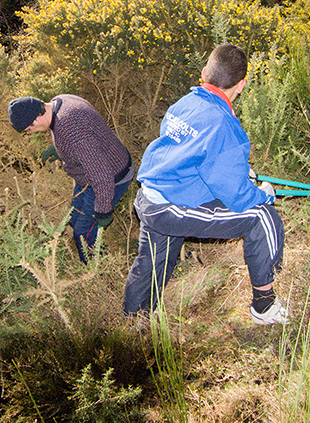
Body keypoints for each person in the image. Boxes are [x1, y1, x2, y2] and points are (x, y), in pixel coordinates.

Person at [122, 44, 288, 325]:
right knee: (262, 217)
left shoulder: (183, 105)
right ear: (242, 84)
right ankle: (264, 307)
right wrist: (264, 195)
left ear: (204, 74)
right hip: (170, 207)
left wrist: (238, 172)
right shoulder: (223, 124)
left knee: (153, 261)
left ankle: (132, 320)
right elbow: (237, 197)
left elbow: (192, 156)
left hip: (150, 196)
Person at [8, 94, 135, 264]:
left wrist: (103, 211)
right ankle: (96, 254)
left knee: (83, 233)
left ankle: (99, 269)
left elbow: (102, 176)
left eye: (29, 130)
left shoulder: (70, 130)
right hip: (93, 172)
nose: (31, 133)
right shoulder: (60, 102)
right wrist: (60, 150)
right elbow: (86, 137)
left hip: (112, 176)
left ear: (36, 119)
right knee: (73, 219)